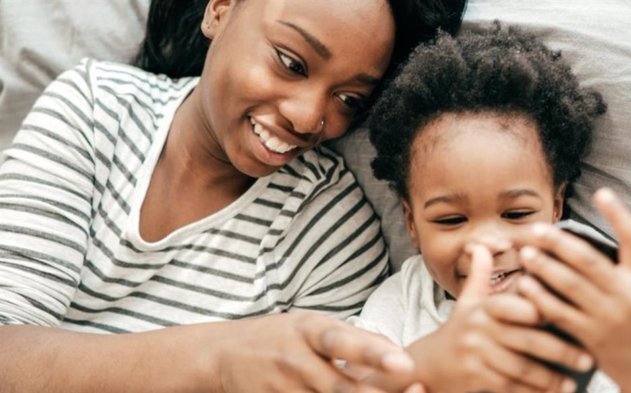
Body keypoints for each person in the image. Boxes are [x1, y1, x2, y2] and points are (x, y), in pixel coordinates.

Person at [0, 0, 466, 391]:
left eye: (348, 100)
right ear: (220, 9)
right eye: (291, 62)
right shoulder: (97, 110)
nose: (309, 119)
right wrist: (219, 360)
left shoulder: (329, 232)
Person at [352, 24, 631, 392]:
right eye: (451, 219)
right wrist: (423, 366)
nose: (487, 244)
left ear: (556, 206)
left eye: (516, 215)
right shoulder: (402, 305)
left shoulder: (593, 297)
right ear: (410, 223)